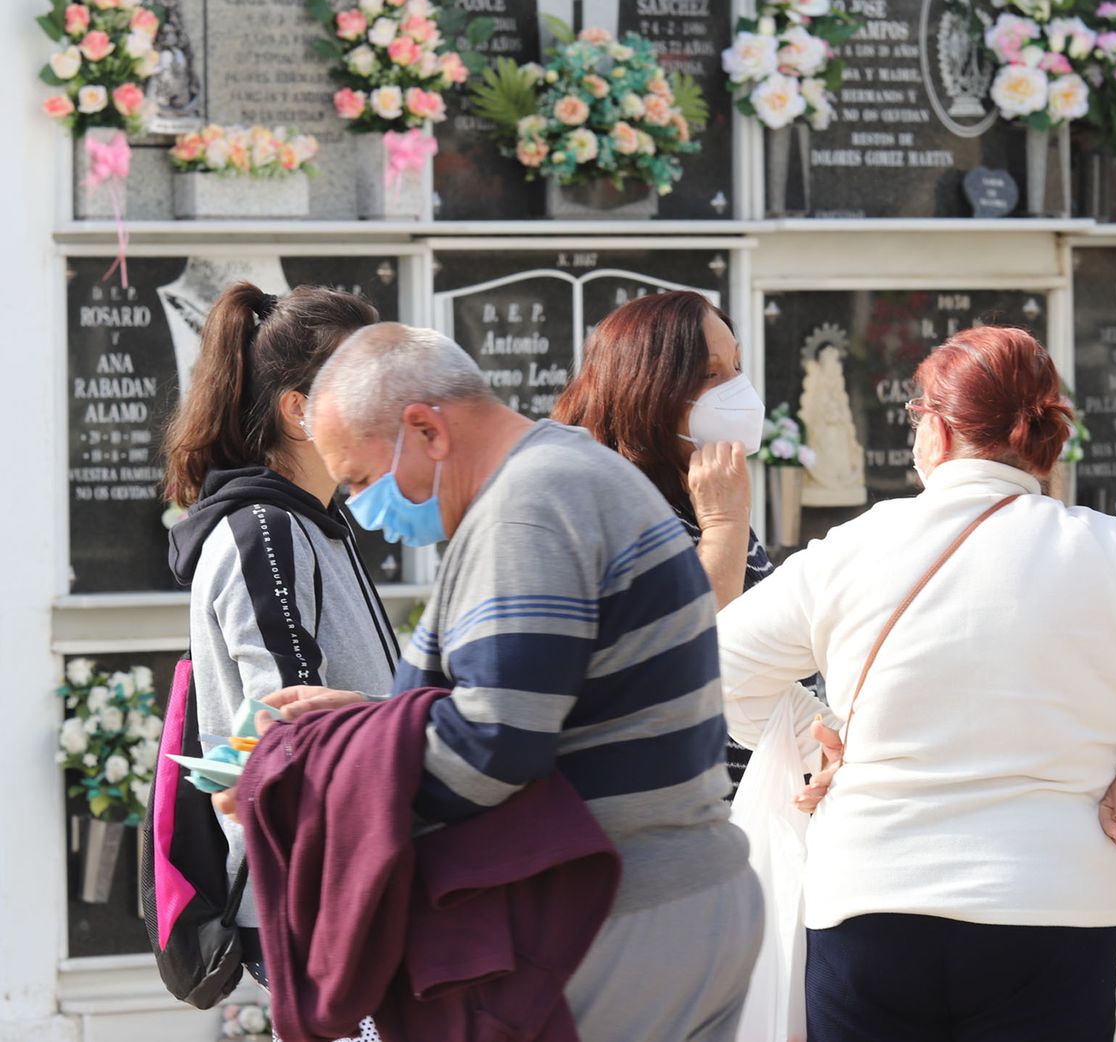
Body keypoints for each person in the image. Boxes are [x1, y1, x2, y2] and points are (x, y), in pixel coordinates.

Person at [715, 325, 1116, 1042]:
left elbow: (718, 670)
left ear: (939, 429)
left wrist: (819, 742)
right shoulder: (1112, 554)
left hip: (871, 900)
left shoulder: (854, 548)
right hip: (1052, 905)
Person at [249, 322, 762, 1042]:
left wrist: (313, 770)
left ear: (425, 427)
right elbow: (549, 705)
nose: (363, 509)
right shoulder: (569, 472)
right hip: (669, 904)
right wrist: (373, 718)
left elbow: (491, 747)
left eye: (361, 480)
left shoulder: (527, 511)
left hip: (613, 916)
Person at [163, 282, 399, 988]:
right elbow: (294, 732)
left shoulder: (310, 522)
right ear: (299, 411)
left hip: (350, 892)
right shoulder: (266, 531)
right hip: (320, 905)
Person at [552, 290, 778, 789]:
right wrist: (724, 523)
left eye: (736, 366)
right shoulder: (610, 501)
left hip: (757, 805)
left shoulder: (697, 488)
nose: (737, 389)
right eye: (709, 374)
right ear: (648, 389)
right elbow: (681, 631)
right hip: (675, 812)